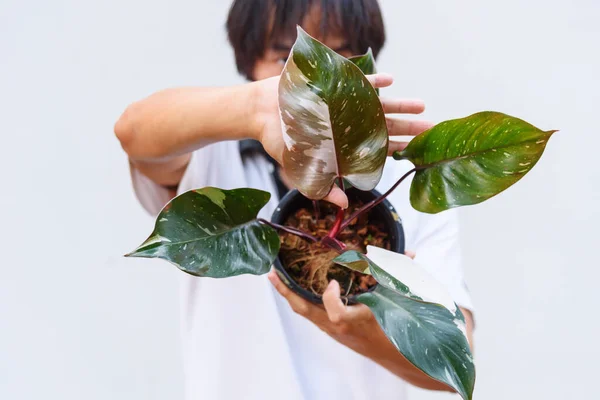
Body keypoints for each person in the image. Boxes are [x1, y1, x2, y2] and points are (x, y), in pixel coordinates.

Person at [115, 1, 475, 399]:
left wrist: (365, 330)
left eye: (339, 55)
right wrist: (256, 107)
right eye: (287, 56)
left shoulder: (401, 185)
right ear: (250, 62)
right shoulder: (215, 157)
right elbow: (133, 132)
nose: (316, 77)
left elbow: (455, 361)